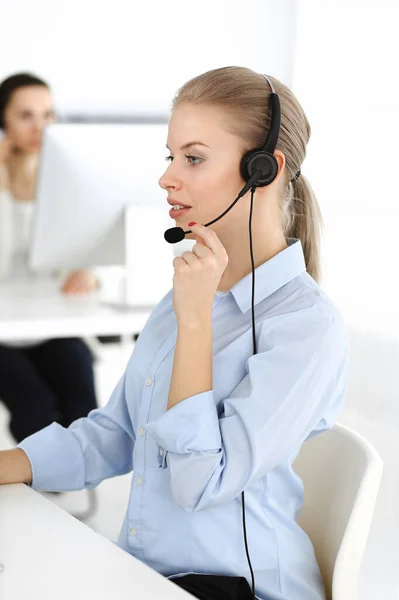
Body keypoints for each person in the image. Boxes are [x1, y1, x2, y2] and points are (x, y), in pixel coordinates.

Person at [0, 66, 349, 600]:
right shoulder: (185, 294)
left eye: (193, 158)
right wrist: (7, 465)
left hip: (237, 589)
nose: (167, 178)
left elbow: (199, 484)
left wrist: (195, 322)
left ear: (263, 170)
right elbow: (116, 434)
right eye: (171, 157)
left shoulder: (304, 327)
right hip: (147, 575)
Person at [0, 73, 98, 443]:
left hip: (49, 321)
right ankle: (36, 487)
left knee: (81, 405)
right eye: (26, 115)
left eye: (48, 114)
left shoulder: (67, 177)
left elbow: (90, 246)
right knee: (35, 405)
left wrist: (89, 272)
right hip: (3, 330)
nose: (39, 126)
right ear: (3, 120)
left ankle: (66, 481)